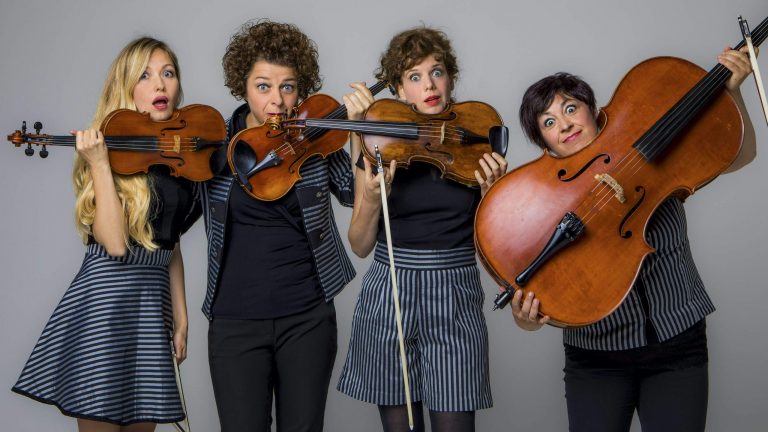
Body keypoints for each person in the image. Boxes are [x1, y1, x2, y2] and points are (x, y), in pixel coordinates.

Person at [512, 47, 756, 432]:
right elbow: (538, 293)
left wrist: (732, 91)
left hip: (678, 342)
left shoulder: (651, 153)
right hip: (596, 359)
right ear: (546, 145)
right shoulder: (543, 208)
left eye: (571, 108)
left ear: (594, 112)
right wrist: (527, 319)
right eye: (549, 122)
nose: (565, 124)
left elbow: (740, 155)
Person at [12, 37, 199, 431]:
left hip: (152, 305)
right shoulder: (105, 155)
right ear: (126, 87)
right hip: (106, 303)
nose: (160, 84)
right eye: (145, 75)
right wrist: (99, 163)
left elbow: (171, 243)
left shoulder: (181, 159)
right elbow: (114, 244)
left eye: (168, 73)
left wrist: (181, 317)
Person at [200, 20, 372, 431]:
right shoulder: (215, 144)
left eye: (288, 87)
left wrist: (356, 129)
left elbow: (356, 194)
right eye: (263, 86)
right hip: (234, 321)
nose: (276, 100)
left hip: (307, 317)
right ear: (242, 87)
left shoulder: (313, 138)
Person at [337, 26, 507, 432]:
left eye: (437, 72)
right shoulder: (377, 144)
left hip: (455, 293)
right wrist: (373, 197)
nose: (429, 85)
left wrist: (492, 198)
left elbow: (496, 250)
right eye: (414, 76)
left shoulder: (478, 138)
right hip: (391, 292)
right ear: (399, 90)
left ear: (450, 79)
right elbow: (359, 245)